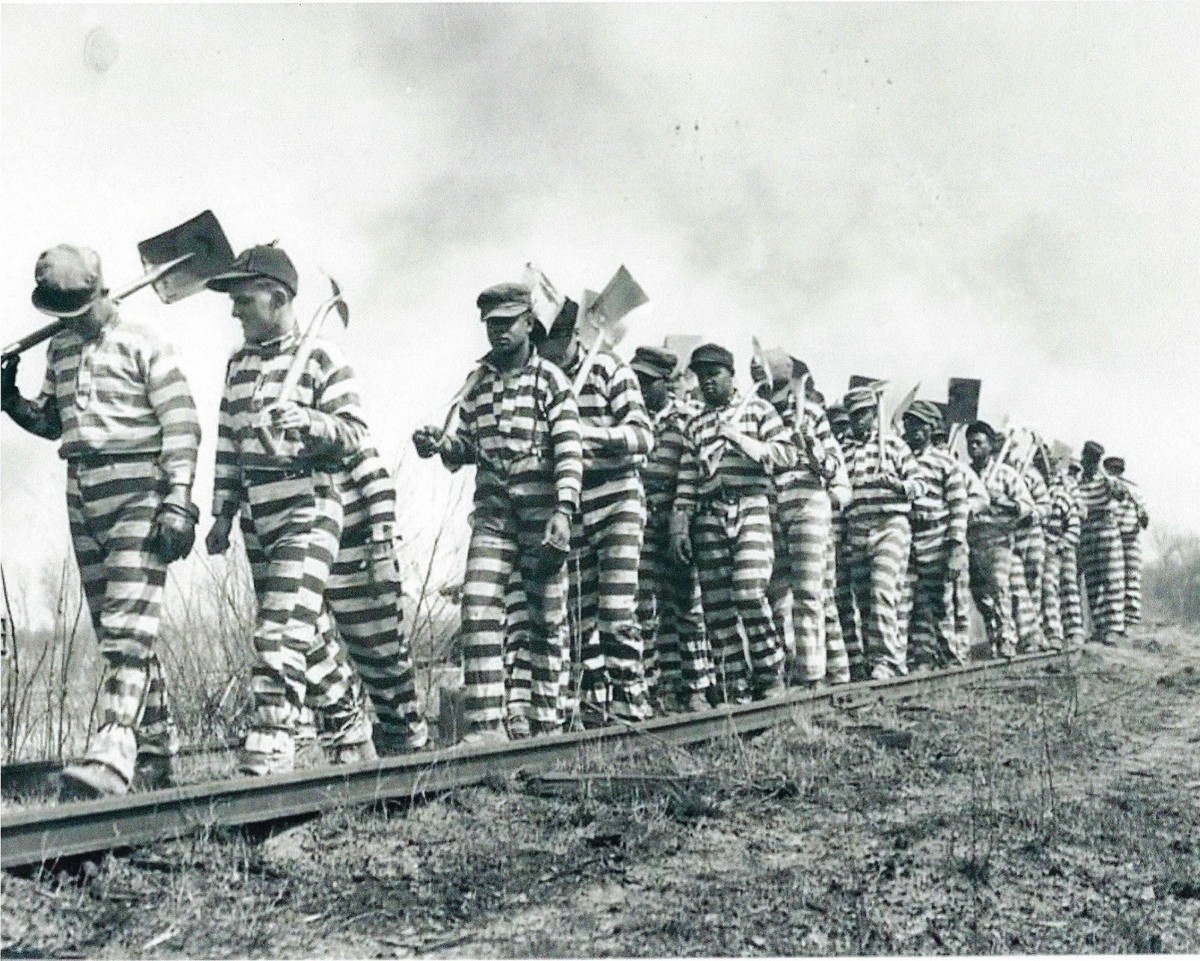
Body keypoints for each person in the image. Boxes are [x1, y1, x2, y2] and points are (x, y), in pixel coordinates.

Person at [1, 244, 201, 797]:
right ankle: (156, 758)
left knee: (126, 629)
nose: (69, 323)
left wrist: (178, 499)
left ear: (99, 291)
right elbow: (52, 422)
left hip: (140, 488)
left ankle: (112, 753)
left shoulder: (143, 343)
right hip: (82, 491)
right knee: (121, 628)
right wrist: (10, 400)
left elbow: (182, 422)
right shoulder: (60, 350)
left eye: (76, 310)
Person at [205, 244, 375, 774]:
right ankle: (351, 737)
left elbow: (354, 434)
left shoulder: (324, 357)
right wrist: (222, 512)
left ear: (278, 298)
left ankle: (269, 747)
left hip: (311, 504)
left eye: (243, 298)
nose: (234, 310)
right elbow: (229, 442)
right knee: (310, 632)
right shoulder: (239, 365)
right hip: (261, 513)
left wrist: (309, 422)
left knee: (280, 630)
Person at [413, 282, 580, 743]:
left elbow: (569, 450)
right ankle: (487, 729)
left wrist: (564, 512)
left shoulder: (550, 381)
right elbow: (462, 446)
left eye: (508, 323)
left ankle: (546, 725)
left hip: (542, 513)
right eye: (491, 325)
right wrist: (439, 444)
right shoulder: (477, 383)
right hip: (493, 515)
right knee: (478, 607)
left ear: (529, 323)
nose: (498, 333)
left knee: (546, 616)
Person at [539, 310, 655, 726]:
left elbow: (643, 435)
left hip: (618, 498)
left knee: (616, 612)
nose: (543, 351)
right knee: (578, 615)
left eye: (550, 341)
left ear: (571, 337)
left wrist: (587, 435)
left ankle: (632, 707)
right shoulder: (545, 381)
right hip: (575, 505)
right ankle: (592, 710)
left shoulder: (608, 367)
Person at [672, 344, 796, 703]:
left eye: (714, 375)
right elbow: (687, 477)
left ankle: (770, 671)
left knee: (747, 589)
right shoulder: (695, 423)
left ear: (731, 375)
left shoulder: (759, 410)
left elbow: (787, 455)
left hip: (750, 505)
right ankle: (734, 683)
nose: (707, 383)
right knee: (717, 604)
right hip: (708, 513)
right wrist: (680, 525)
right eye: (701, 376)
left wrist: (740, 440)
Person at [320, 446, 430, 755]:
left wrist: (381, 550)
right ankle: (347, 739)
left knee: (380, 651)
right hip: (313, 549)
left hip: (358, 551)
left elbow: (379, 483)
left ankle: (408, 737)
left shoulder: (341, 425)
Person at [760, 352, 850, 687]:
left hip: (807, 502)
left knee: (810, 592)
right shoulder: (759, 412)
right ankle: (792, 667)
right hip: (772, 505)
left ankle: (813, 675)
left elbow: (831, 466)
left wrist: (809, 447)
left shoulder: (810, 412)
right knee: (776, 593)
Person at [631, 346, 713, 713]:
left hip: (679, 516)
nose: (641, 388)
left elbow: (695, 470)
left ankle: (697, 686)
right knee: (645, 603)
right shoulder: (631, 416)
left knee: (686, 601)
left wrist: (681, 521)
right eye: (637, 381)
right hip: (642, 514)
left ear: (666, 382)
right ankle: (658, 685)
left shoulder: (688, 418)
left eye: (648, 382)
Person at [840, 387, 921, 679]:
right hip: (857, 528)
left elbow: (918, 483)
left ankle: (889, 659)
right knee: (863, 598)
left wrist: (899, 485)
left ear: (873, 415)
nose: (858, 420)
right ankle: (876, 657)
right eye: (853, 415)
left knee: (882, 589)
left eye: (863, 414)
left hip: (890, 524)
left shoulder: (895, 446)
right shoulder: (843, 450)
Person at [898, 401, 969, 669]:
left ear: (931, 429)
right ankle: (919, 658)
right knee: (909, 603)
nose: (913, 430)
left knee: (940, 602)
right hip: (907, 538)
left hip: (936, 538)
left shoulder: (945, 463)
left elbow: (958, 506)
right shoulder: (898, 456)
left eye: (919, 425)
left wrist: (954, 547)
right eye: (909, 424)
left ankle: (951, 657)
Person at [963, 421, 1033, 658]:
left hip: (998, 538)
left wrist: (1002, 501)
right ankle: (993, 636)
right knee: (980, 595)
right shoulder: (965, 473)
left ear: (991, 446)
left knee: (999, 587)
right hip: (972, 539)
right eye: (970, 443)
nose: (974, 448)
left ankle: (1007, 638)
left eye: (979, 443)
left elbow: (1026, 507)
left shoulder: (1006, 474)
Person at [1076, 441, 1126, 644]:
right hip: (1087, 533)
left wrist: (1111, 482)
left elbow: (1120, 495)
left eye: (1093, 460)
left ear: (1097, 461)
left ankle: (1113, 628)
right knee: (1093, 581)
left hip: (1106, 531)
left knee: (1111, 579)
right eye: (1086, 458)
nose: (1088, 463)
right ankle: (1099, 627)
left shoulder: (1107, 481)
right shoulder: (1077, 482)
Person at [1103, 455, 1149, 628]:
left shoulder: (1131, 489)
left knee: (1130, 578)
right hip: (1114, 537)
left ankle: (1129, 621)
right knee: (1116, 580)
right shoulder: (1107, 487)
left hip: (1129, 537)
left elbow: (1144, 517)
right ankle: (1116, 622)